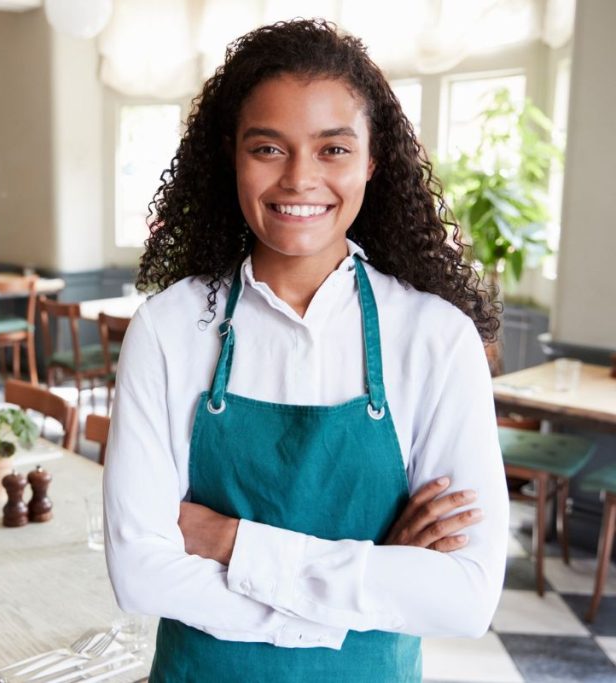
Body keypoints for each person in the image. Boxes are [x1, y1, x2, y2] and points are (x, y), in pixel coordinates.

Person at [102, 19, 508, 682]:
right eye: (268, 147)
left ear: (372, 160)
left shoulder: (435, 338)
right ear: (230, 155)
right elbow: (142, 575)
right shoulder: (168, 329)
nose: (299, 178)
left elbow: (463, 596)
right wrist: (367, 583)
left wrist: (229, 541)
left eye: (333, 150)